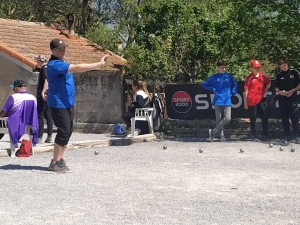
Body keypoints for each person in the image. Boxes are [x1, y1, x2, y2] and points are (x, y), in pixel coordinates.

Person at [46, 38, 109, 173]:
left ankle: (60, 158)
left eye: (64, 48)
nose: (63, 51)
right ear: (52, 51)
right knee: (63, 130)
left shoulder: (62, 62)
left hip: (68, 103)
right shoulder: (54, 64)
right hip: (58, 103)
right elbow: (78, 68)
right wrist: (99, 63)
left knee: (68, 131)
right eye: (59, 49)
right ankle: (54, 162)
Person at [202, 59, 238, 142]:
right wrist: (212, 88)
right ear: (217, 67)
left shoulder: (229, 76)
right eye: (222, 67)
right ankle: (221, 136)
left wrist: (232, 92)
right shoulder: (214, 77)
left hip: (227, 100)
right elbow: (204, 84)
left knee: (227, 118)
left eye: (225, 67)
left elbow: (235, 84)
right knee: (218, 119)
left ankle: (213, 131)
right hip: (218, 100)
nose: (224, 69)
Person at [0, 79, 38, 144]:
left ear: (17, 88)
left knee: (1, 122)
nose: (14, 91)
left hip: (14, 124)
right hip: (30, 124)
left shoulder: (13, 97)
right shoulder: (33, 98)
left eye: (14, 89)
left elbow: (3, 112)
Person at [275, 56, 300, 144]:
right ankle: (286, 136)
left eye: (284, 65)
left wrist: (293, 90)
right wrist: (279, 92)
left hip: (293, 98)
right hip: (282, 99)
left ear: (287, 64)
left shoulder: (294, 72)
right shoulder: (279, 75)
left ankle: (297, 136)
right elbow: (276, 87)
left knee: (294, 118)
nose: (283, 67)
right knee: (284, 118)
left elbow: (299, 84)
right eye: (281, 66)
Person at [244, 60, 271, 141]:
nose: (257, 69)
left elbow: (269, 83)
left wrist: (264, 91)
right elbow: (246, 91)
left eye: (258, 67)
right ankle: (254, 135)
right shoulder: (249, 78)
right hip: (251, 100)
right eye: (256, 67)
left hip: (261, 99)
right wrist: (245, 103)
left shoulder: (263, 76)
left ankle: (265, 135)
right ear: (251, 68)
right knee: (253, 118)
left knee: (264, 117)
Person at [35, 55, 53, 143]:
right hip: (49, 94)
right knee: (48, 114)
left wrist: (43, 92)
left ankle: (39, 136)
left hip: (43, 95)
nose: (36, 63)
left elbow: (46, 80)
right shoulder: (49, 67)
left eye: (37, 61)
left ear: (39, 61)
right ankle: (49, 136)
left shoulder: (43, 68)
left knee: (40, 115)